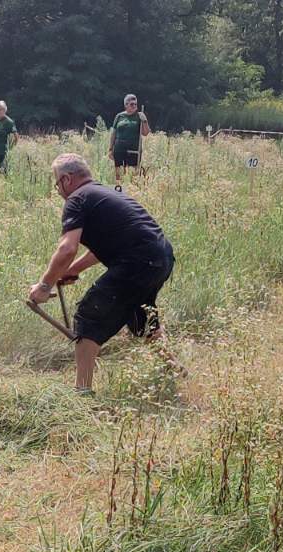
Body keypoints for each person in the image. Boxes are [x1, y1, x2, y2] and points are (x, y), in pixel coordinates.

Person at [27, 153, 174, 393]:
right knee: (143, 319)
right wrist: (72, 270)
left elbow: (67, 248)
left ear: (66, 179)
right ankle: (175, 372)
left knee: (89, 316)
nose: (58, 189)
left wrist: (44, 286)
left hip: (137, 261)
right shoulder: (103, 194)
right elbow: (102, 248)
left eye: (57, 183)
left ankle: (81, 394)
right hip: (161, 257)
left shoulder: (77, 199)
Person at [109, 94, 149, 186]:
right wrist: (110, 149)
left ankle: (132, 192)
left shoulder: (139, 116)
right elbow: (113, 133)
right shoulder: (119, 116)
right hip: (119, 149)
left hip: (134, 149)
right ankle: (119, 191)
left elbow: (145, 133)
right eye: (132, 104)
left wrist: (145, 121)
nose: (134, 106)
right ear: (126, 105)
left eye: (135, 104)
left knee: (133, 174)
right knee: (119, 174)